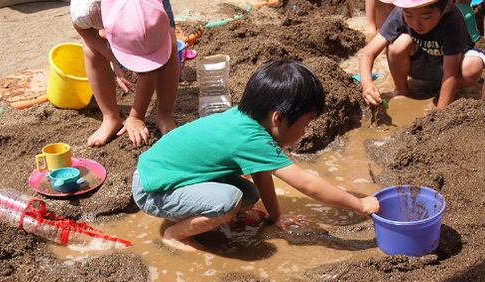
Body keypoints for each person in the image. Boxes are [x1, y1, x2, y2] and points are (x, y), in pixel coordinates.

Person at [132, 60, 381, 252]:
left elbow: (261, 174)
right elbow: (307, 184)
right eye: (305, 124)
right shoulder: (250, 138)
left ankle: (198, 212)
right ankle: (175, 234)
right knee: (229, 201)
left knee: (249, 195)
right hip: (153, 190)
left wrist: (277, 216)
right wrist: (359, 205)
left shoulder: (245, 121)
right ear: (278, 118)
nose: (305, 132)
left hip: (165, 177)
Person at [71, 0, 179, 147]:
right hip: (103, 12)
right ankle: (110, 117)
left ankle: (165, 115)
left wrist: (136, 116)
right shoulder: (86, 10)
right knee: (92, 50)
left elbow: (150, 67)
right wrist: (111, 56)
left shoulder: (155, 10)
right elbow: (81, 28)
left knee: (170, 43)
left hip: (148, 7)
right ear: (105, 33)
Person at [359, 0, 485, 109]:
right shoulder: (399, 13)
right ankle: (401, 89)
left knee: (473, 66)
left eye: (426, 17)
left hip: (452, 68)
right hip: (422, 64)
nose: (416, 24)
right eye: (408, 15)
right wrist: (367, 85)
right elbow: (367, 53)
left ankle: (445, 91)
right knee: (399, 44)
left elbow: (450, 75)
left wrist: (440, 113)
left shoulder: (452, 19)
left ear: (446, 7)